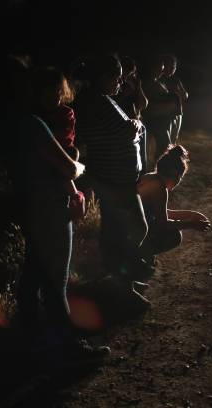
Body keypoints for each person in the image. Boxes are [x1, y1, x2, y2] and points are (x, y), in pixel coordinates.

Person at [0, 56, 108, 358]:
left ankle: (28, 337)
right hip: (50, 207)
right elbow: (68, 169)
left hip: (29, 204)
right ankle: (67, 347)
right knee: (56, 279)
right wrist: (78, 166)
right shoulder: (34, 125)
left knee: (33, 273)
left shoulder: (8, 123)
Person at [74, 54, 151, 285]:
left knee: (118, 229)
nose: (121, 83)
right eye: (117, 78)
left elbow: (126, 127)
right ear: (102, 78)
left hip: (115, 176)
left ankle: (122, 277)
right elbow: (126, 131)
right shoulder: (98, 103)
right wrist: (136, 126)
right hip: (114, 178)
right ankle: (118, 279)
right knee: (134, 228)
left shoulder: (102, 100)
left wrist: (133, 125)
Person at [137, 145, 211, 263]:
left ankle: (140, 253)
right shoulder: (160, 188)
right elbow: (163, 224)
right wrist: (191, 224)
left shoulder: (149, 177)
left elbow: (162, 213)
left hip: (126, 228)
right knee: (175, 236)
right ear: (177, 176)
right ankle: (139, 254)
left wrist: (191, 215)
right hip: (134, 233)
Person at [31, 66, 85, 222]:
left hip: (61, 155)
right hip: (47, 160)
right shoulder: (35, 116)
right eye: (47, 94)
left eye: (57, 93)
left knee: (72, 153)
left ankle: (74, 196)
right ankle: (74, 195)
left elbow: (62, 141)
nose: (53, 98)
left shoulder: (65, 113)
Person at [140, 55, 180, 163]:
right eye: (160, 69)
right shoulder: (147, 83)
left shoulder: (157, 81)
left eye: (162, 69)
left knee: (164, 147)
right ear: (152, 68)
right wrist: (167, 105)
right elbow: (147, 105)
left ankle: (159, 170)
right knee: (162, 148)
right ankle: (159, 172)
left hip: (162, 119)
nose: (162, 71)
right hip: (155, 120)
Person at [116, 56, 149, 174]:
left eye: (132, 74)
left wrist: (138, 87)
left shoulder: (131, 85)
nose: (127, 77)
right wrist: (125, 93)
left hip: (135, 123)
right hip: (121, 125)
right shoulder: (115, 86)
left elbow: (143, 104)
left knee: (142, 133)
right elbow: (113, 106)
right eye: (127, 73)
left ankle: (142, 174)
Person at [160, 54, 188, 143]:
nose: (171, 69)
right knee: (165, 141)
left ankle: (170, 155)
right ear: (164, 66)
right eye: (169, 66)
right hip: (166, 115)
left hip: (178, 113)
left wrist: (179, 92)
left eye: (173, 67)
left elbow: (186, 95)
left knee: (174, 139)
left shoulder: (176, 80)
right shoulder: (159, 79)